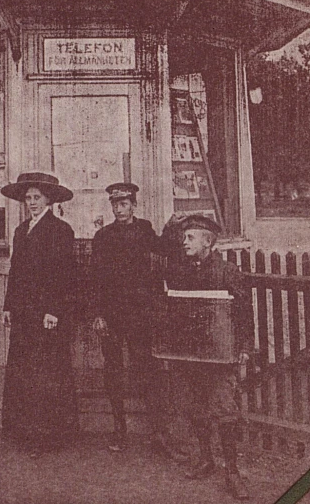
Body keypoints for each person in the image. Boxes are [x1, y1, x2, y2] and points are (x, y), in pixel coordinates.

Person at [165, 214, 253, 501]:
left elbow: (243, 314)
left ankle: (232, 471)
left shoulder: (228, 271)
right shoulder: (180, 271)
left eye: (191, 237)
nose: (185, 242)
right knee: (196, 408)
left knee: (225, 411)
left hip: (220, 355)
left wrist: (243, 349)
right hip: (191, 354)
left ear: (208, 241)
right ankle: (206, 459)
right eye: (184, 236)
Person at [90, 182, 178, 456]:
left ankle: (158, 434)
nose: (119, 209)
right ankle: (119, 430)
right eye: (115, 205)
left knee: (147, 371)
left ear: (134, 205)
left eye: (124, 204)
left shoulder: (144, 229)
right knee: (113, 371)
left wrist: (172, 228)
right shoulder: (103, 236)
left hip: (140, 314)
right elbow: (95, 279)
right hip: (112, 315)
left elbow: (164, 249)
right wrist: (98, 314)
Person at [1, 172, 78, 458]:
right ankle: (24, 430)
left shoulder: (60, 230)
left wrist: (54, 311)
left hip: (48, 315)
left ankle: (49, 435)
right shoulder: (22, 230)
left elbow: (64, 275)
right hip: (23, 313)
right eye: (28, 198)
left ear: (49, 199)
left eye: (37, 197)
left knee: (47, 372)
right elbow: (15, 272)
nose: (31, 202)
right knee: (24, 370)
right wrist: (8, 306)